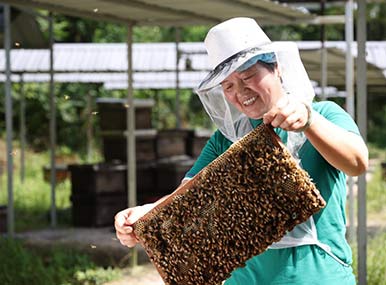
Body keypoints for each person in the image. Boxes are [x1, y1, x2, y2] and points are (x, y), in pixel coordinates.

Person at [115, 17, 368, 284]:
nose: (241, 92)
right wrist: (147, 213)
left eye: (248, 76)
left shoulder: (323, 114)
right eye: (228, 86)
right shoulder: (225, 139)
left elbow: (357, 162)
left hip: (317, 276)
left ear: (277, 68)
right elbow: (186, 199)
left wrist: (309, 122)